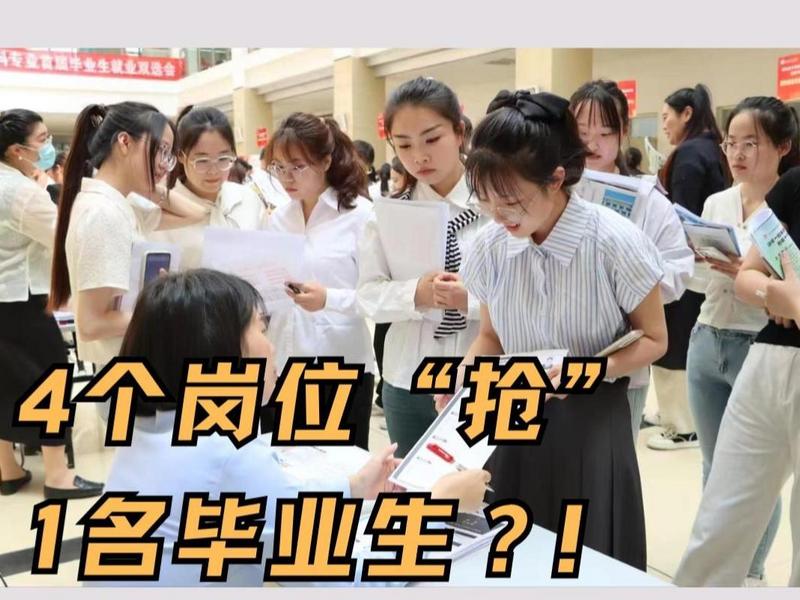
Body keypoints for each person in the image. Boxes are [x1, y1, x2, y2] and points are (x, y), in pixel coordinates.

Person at [92, 269, 490, 586]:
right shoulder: (226, 451)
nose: (270, 347)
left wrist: (352, 487)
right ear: (220, 348)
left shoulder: (151, 426)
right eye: (260, 330)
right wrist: (438, 505)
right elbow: (354, 580)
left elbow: (276, 502)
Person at [456, 89, 667, 569]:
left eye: (511, 200)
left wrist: (588, 371)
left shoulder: (614, 242)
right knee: (513, 553)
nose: (498, 214)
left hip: (590, 423)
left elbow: (655, 339)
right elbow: (491, 337)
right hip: (510, 416)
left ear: (555, 178)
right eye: (486, 199)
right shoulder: (490, 246)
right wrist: (464, 377)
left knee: (586, 553)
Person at [683, 96, 799, 585]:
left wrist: (772, 291)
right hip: (752, 350)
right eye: (732, 142)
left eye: (751, 143)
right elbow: (743, 277)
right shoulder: (786, 189)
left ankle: (752, 573)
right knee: (723, 490)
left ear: (781, 146)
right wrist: (775, 292)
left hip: (758, 344)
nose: (738, 153)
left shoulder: (784, 187)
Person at [358, 77, 485, 457]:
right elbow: (368, 295)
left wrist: (469, 301)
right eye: (404, 145)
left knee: (483, 484)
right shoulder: (388, 215)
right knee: (412, 485)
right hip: (408, 376)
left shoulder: (500, 206)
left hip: (484, 374)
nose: (419, 157)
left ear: (459, 132)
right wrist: (416, 293)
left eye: (432, 139)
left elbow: (526, 294)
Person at [569, 79, 694, 443]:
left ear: (624, 131)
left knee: (612, 463)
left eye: (605, 133)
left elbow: (678, 268)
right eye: (581, 133)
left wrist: (630, 285)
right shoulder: (551, 189)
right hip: (552, 358)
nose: (592, 144)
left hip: (623, 363)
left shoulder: (647, 200)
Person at [48, 102, 207, 372]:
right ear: (124, 142)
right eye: (161, 150)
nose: (166, 165)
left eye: (169, 155)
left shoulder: (117, 204)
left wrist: (153, 187)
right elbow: (91, 323)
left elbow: (196, 214)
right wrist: (166, 310)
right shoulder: (103, 212)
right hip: (124, 365)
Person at [0, 108, 103, 499]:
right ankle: (58, 475)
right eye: (42, 141)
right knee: (50, 382)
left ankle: (8, 470)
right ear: (16, 151)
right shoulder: (21, 192)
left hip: (4, 300)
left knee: (5, 384)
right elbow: (64, 237)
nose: (48, 148)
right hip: (24, 301)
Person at [263, 113, 376, 450]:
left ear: (326, 161)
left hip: (337, 367)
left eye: (298, 166)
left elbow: (378, 296)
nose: (287, 177)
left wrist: (329, 299)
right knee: (286, 469)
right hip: (283, 366)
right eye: (278, 167)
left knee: (338, 472)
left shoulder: (360, 216)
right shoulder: (277, 219)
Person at [647, 84, 731, 450]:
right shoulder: (712, 149)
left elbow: (679, 216)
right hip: (709, 264)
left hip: (688, 264)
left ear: (687, 114)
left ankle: (681, 425)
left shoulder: (689, 155)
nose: (664, 124)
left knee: (674, 340)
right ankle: (679, 416)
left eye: (667, 117)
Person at [148, 106, 264, 269]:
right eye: (202, 161)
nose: (214, 171)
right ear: (181, 156)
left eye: (223, 159)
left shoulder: (248, 199)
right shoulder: (164, 210)